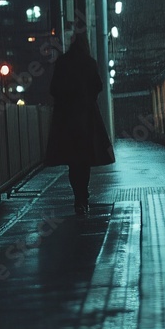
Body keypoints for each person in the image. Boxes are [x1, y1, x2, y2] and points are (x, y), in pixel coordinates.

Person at [44, 31, 115, 214]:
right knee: (84, 160)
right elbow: (98, 86)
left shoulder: (62, 62)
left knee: (72, 161)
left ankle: (78, 198)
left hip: (66, 121)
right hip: (86, 119)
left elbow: (54, 89)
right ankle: (83, 196)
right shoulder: (89, 63)